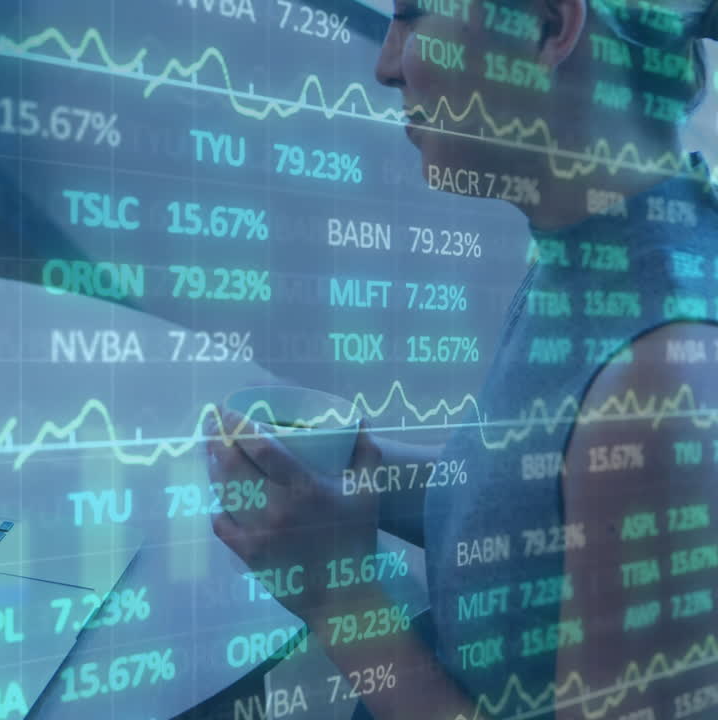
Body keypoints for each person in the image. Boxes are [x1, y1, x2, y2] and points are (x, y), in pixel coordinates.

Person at [206, 0, 718, 717]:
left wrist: (340, 600)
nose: (386, 64)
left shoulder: (665, 379)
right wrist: (352, 467)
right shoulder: (600, 244)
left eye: (414, 14)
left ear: (546, 27)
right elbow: (528, 502)